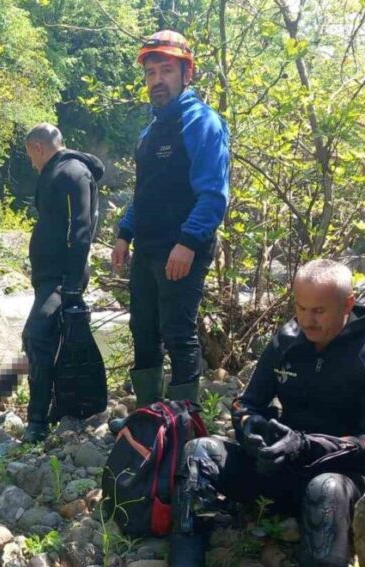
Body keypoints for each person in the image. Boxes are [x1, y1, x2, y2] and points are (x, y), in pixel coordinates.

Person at [138, 260, 365, 567]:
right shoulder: (287, 339)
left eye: (319, 311)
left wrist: (307, 444)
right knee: (200, 452)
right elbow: (247, 403)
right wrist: (251, 433)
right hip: (281, 463)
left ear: (347, 304)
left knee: (325, 488)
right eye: (300, 307)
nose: (308, 320)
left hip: (343, 475)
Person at [110, 30, 230, 405]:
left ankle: (183, 418)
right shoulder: (151, 130)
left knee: (178, 332)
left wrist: (188, 242)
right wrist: (123, 233)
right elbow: (145, 192)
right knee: (142, 329)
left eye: (166, 70)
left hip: (181, 248)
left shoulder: (201, 122)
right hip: (147, 247)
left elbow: (214, 194)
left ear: (186, 74)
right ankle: (149, 416)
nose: (157, 80)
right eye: (150, 73)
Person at [20, 123, 105, 442]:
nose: (32, 162)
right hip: (50, 276)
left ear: (38, 147)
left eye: (31, 155)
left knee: (37, 334)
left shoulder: (72, 172)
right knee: (51, 339)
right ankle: (60, 405)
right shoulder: (57, 172)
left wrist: (71, 285)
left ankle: (37, 420)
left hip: (63, 277)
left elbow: (81, 231)